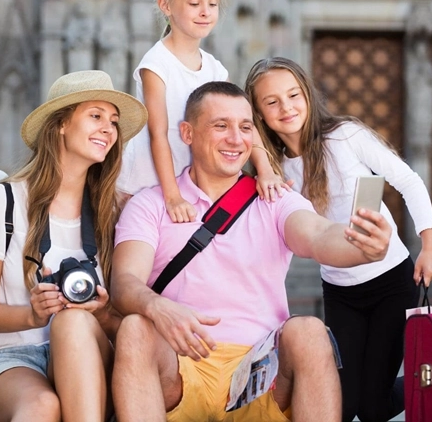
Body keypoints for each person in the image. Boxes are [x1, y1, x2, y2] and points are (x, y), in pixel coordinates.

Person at [110, 81, 392, 421]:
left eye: (245, 127)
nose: (236, 139)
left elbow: (318, 235)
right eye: (220, 126)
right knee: (135, 328)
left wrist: (360, 245)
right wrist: (157, 307)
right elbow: (125, 282)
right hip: (181, 370)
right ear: (187, 133)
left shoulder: (274, 199)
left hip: (260, 374)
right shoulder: (151, 203)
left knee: (308, 331)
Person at [244, 57, 432, 422]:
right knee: (342, 407)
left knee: (373, 408)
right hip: (339, 292)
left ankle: (422, 383)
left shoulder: (345, 135)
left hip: (392, 283)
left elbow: (408, 180)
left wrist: (428, 245)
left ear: (308, 95)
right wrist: (263, 166)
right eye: (271, 102)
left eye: (293, 95)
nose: (286, 107)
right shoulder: (273, 172)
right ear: (258, 113)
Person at [0, 70, 148, 422]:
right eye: (95, 116)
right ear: (61, 124)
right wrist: (31, 315)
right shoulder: (6, 200)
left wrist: (102, 312)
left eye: (114, 121)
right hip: (12, 359)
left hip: (90, 354)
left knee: (71, 322)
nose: (108, 129)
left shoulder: (115, 213)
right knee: (42, 407)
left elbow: (126, 326)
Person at [117, 0, 285, 222]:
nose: (205, 11)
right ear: (166, 5)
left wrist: (265, 169)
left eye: (213, 3)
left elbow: (243, 123)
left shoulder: (215, 68)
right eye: (194, 3)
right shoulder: (157, 64)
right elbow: (158, 134)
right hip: (144, 182)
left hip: (186, 184)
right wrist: (171, 196)